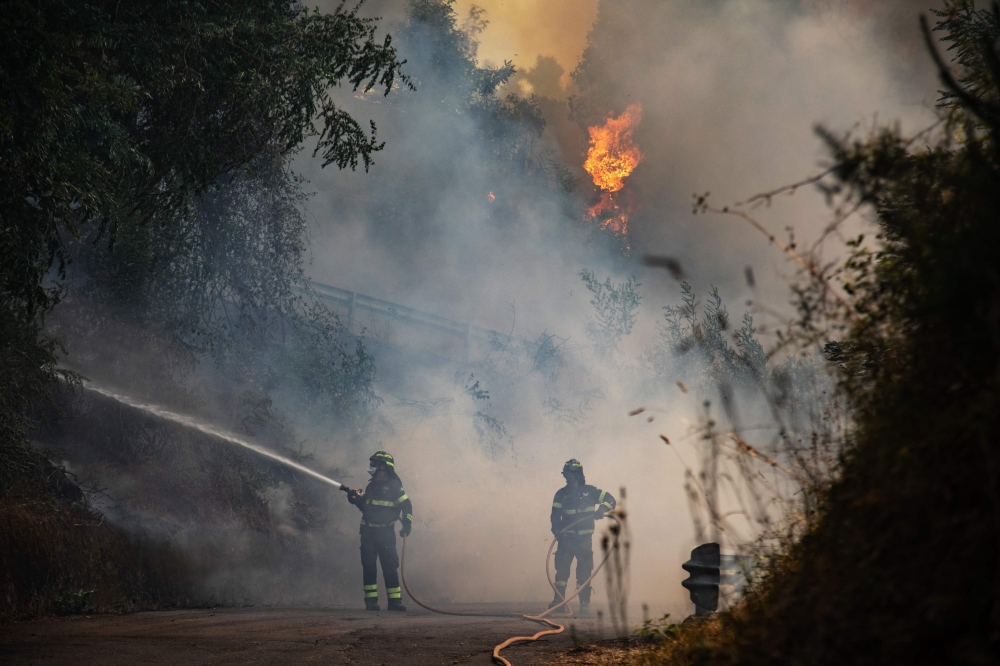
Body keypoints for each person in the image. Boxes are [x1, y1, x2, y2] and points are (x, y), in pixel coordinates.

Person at [346, 451, 413, 611]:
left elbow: (406, 505)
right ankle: (371, 602)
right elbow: (367, 508)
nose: (371, 467)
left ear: (383, 467)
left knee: (389, 567)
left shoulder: (394, 485)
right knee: (369, 567)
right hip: (368, 533)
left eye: (374, 464)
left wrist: (407, 524)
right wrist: (355, 500)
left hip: (386, 534)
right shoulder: (371, 485)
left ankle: (395, 602)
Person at [549, 459, 616, 615]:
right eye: (566, 473)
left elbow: (611, 500)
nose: (568, 476)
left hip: (584, 541)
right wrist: (556, 530)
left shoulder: (591, 492)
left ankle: (584, 604)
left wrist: (601, 509)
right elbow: (554, 516)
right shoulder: (561, 494)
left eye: (571, 473)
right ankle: (559, 602)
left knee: (584, 572)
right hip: (566, 540)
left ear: (578, 474)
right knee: (562, 571)